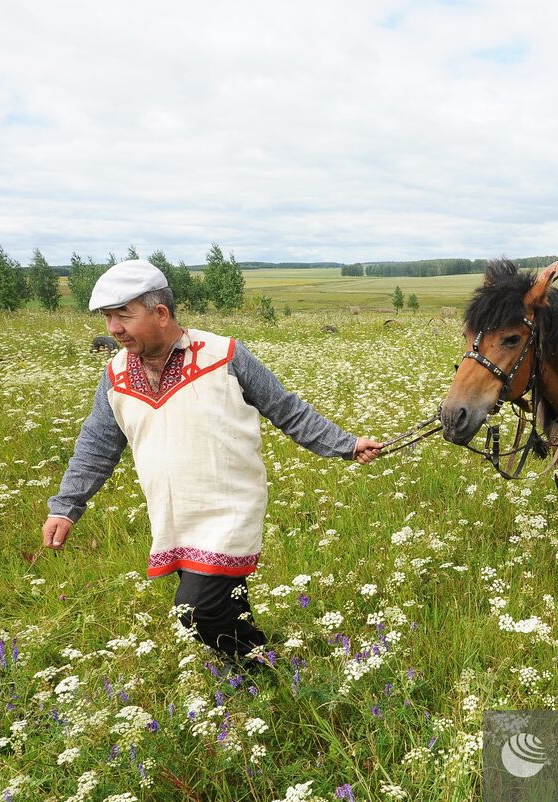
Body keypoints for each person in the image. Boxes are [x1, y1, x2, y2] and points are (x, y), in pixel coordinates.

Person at [42, 259, 382, 661]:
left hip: (229, 510)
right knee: (226, 603)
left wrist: (345, 444)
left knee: (196, 609)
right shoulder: (115, 375)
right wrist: (66, 507)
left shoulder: (224, 355)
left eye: (123, 316)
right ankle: (256, 676)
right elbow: (96, 445)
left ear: (161, 313)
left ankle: (259, 667)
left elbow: (286, 409)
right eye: (107, 318)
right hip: (173, 514)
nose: (113, 329)